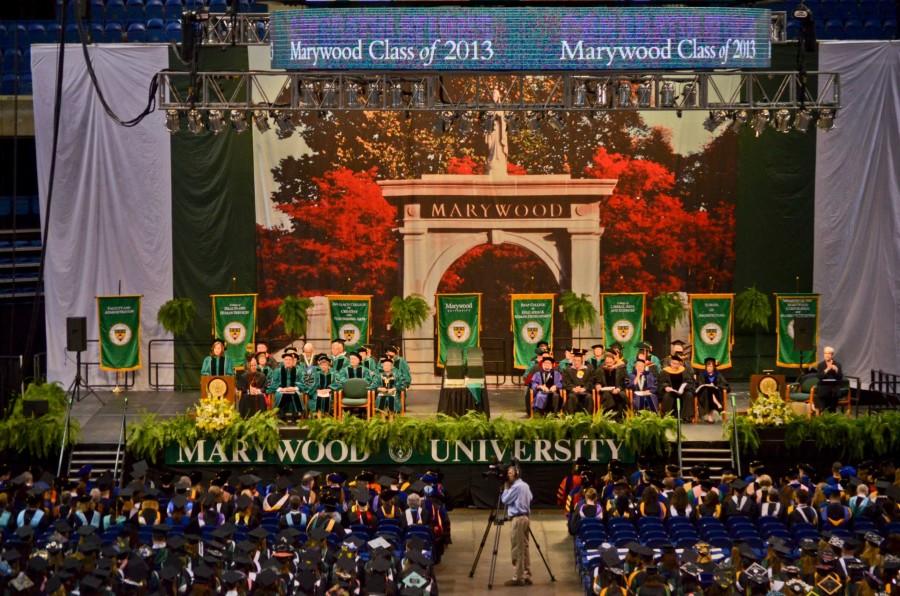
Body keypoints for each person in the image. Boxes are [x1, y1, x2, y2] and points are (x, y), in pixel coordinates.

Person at [500, 464, 533, 587]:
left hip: (518, 519)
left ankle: (518, 577)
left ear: (516, 473)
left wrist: (506, 488)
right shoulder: (525, 485)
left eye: (510, 473)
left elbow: (505, 500)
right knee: (524, 547)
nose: (508, 475)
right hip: (526, 518)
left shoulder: (516, 487)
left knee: (517, 548)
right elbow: (531, 497)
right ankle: (526, 574)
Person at [268, 348, 304, 422]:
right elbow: (274, 383)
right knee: (280, 394)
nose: (288, 361)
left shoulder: (298, 371)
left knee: (295, 394)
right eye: (286, 359)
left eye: (289, 360)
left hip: (293, 390)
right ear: (283, 361)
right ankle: (281, 415)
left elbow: (302, 382)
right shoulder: (277, 371)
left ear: (292, 361)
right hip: (281, 390)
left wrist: (294, 388)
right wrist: (282, 389)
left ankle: (296, 415)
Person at [659, 353, 695, 421]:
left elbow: (689, 381)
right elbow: (661, 382)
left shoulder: (684, 370)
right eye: (673, 363)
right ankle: (667, 416)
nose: (675, 365)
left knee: (689, 395)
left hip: (682, 391)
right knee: (667, 396)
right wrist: (666, 387)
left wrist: (684, 386)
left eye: (677, 364)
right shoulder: (665, 371)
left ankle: (686, 417)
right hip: (671, 391)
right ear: (670, 363)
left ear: (679, 364)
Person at [695, 357, 730, 423]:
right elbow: (699, 386)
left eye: (711, 366)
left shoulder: (718, 375)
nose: (709, 368)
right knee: (708, 390)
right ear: (706, 367)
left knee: (711, 390)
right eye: (708, 366)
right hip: (704, 396)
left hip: (716, 394)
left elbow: (726, 385)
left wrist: (716, 386)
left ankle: (709, 416)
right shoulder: (702, 375)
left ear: (714, 367)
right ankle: (717, 404)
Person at [594, 351, 627, 417]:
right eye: (607, 362)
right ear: (604, 362)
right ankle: (609, 417)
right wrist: (598, 385)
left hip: (617, 390)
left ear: (614, 361)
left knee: (620, 395)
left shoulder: (620, 369)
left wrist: (618, 389)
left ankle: (620, 417)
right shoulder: (600, 369)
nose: (608, 364)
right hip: (605, 391)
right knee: (607, 395)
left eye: (610, 362)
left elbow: (624, 382)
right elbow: (597, 381)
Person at [563, 349, 594, 414]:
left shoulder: (588, 370)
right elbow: (566, 382)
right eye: (575, 360)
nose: (576, 362)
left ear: (582, 361)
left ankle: (588, 418)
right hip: (573, 391)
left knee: (589, 397)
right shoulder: (568, 370)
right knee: (571, 397)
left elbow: (590, 381)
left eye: (578, 361)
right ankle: (571, 418)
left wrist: (584, 388)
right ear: (572, 361)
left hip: (584, 391)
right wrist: (573, 388)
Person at [815, 346, 843, 413]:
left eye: (829, 353)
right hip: (823, 388)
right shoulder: (820, 365)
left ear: (832, 355)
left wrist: (836, 370)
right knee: (823, 394)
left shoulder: (837, 365)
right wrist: (827, 369)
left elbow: (840, 378)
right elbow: (819, 377)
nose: (827, 355)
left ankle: (832, 411)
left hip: (833, 388)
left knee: (834, 393)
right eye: (825, 353)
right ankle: (822, 410)